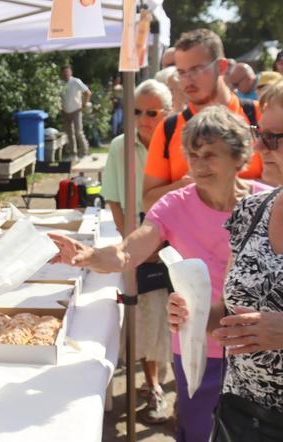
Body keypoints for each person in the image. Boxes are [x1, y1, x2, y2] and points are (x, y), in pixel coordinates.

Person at [51, 106, 271, 442]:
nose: (198, 166)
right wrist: (90, 256)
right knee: (200, 431)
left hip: (260, 347)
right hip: (200, 345)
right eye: (192, 155)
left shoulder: (267, 203)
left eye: (210, 155)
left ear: (239, 156)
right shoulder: (174, 205)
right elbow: (129, 251)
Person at [168, 80, 283, 441]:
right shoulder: (252, 211)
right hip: (240, 415)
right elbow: (231, 312)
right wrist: (195, 311)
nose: (261, 147)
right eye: (259, 133)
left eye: (275, 138)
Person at [102, 79, 172, 424]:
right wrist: (134, 241)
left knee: (176, 316)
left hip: (176, 238)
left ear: (168, 113)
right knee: (147, 314)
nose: (143, 118)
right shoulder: (120, 145)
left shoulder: (179, 142)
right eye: (136, 111)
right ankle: (152, 384)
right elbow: (113, 197)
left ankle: (184, 388)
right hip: (138, 235)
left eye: (152, 112)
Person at [142, 28, 263, 212]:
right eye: (181, 72)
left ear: (221, 67)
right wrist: (185, 186)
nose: (187, 80)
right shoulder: (168, 128)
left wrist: (230, 186)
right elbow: (147, 201)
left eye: (196, 70)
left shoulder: (260, 116)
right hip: (188, 240)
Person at [60, 64, 91, 161]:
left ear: (71, 72)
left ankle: (84, 152)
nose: (66, 74)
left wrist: (84, 104)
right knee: (69, 133)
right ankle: (73, 154)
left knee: (78, 132)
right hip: (65, 111)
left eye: (67, 72)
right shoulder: (60, 83)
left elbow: (87, 92)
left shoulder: (76, 81)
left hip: (76, 110)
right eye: (64, 72)